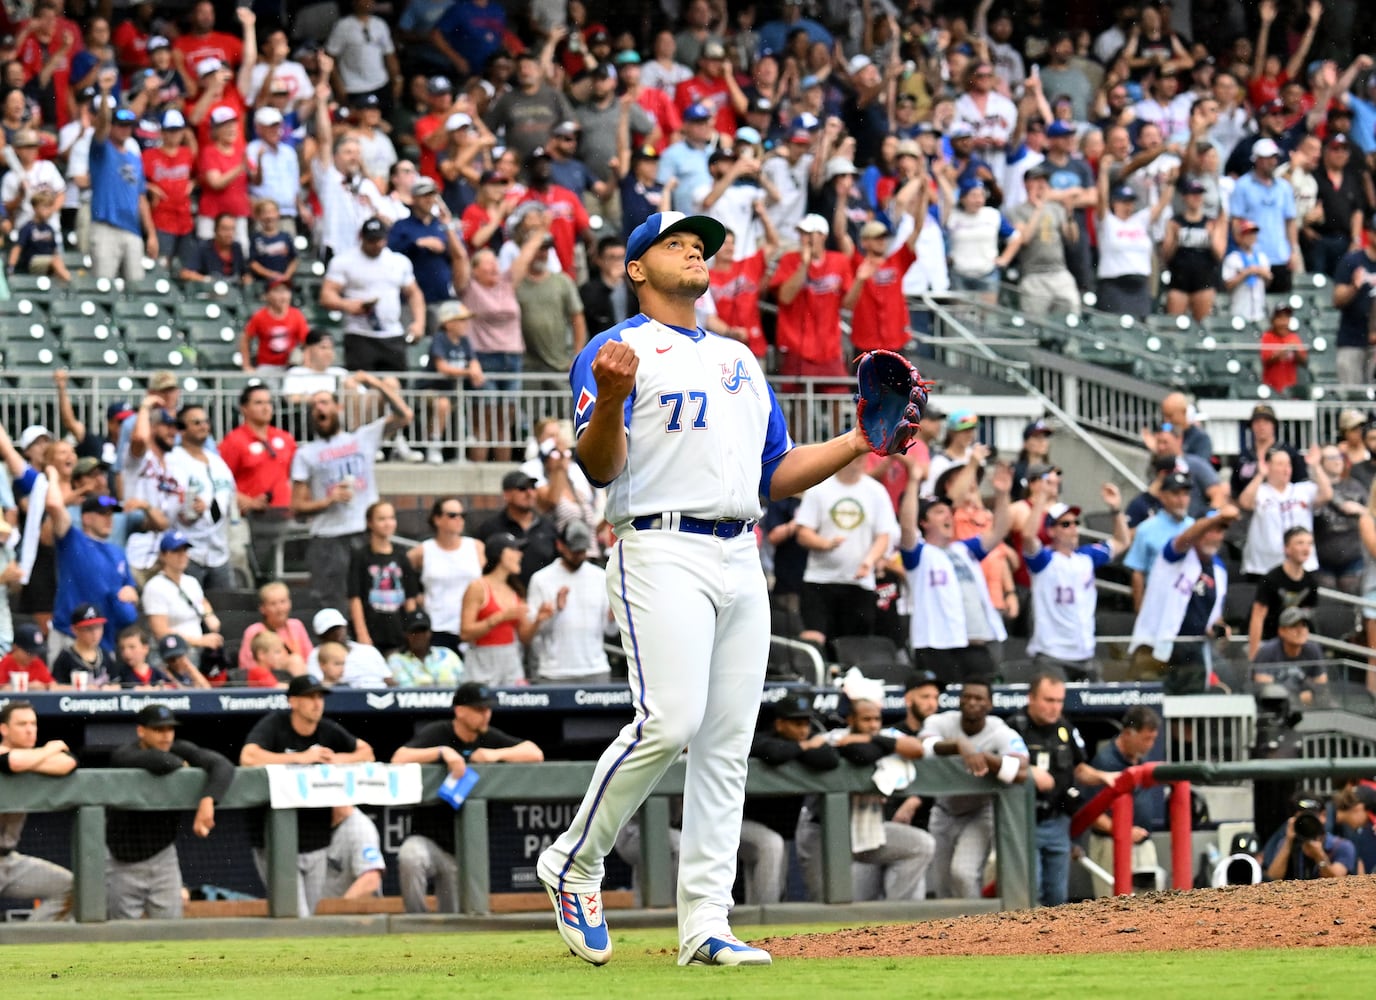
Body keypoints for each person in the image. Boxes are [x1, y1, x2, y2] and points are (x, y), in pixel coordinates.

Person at [536, 210, 894, 968]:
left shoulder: (739, 358)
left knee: (727, 745)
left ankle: (705, 922)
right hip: (660, 544)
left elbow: (778, 473)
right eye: (675, 244)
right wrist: (605, 398)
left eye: (701, 245)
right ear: (636, 269)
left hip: (741, 550)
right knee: (668, 721)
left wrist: (858, 442)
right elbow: (600, 468)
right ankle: (574, 859)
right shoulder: (615, 350)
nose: (695, 252)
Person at [392, 682, 544, 913]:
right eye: (479, 710)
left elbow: (535, 753)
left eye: (488, 709)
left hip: (464, 851)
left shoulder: (488, 737)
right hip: (429, 840)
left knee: (457, 917)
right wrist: (442, 752)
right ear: (460, 710)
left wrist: (495, 754)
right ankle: (417, 922)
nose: (486, 715)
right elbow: (399, 758)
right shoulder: (439, 732)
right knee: (409, 855)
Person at [239, 675, 375, 915]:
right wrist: (300, 758)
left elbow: (366, 752)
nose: (317, 703)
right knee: (294, 915)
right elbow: (248, 757)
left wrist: (336, 759)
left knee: (307, 915)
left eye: (320, 697)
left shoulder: (327, 730)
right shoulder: (275, 724)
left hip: (316, 839)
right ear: (293, 701)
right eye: (310, 697)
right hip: (275, 840)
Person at [797, 688, 933, 903]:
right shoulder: (834, 737)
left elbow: (918, 749)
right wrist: (863, 742)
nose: (873, 724)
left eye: (876, 719)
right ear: (850, 719)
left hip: (866, 828)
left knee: (921, 845)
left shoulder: (883, 736)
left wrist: (873, 739)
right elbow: (852, 753)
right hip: (821, 830)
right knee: (824, 902)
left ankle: (897, 919)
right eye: (866, 719)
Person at [290, 376, 415, 609]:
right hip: (328, 539)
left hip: (364, 533)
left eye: (325, 402)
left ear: (338, 408)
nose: (319, 408)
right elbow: (297, 507)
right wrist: (328, 500)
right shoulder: (305, 453)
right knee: (333, 603)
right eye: (314, 405)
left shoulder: (362, 438)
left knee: (374, 600)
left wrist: (376, 384)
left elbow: (404, 415)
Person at [105, 704, 233, 919]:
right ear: (141, 731)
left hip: (163, 857)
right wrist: (180, 764)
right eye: (158, 730)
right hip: (122, 861)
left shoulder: (180, 748)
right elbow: (159, 761)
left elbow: (223, 766)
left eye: (169, 729)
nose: (166, 736)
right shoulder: (125, 752)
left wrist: (208, 800)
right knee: (121, 937)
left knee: (171, 933)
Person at [898, 468, 1014, 686]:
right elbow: (906, 526)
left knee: (982, 704)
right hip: (937, 646)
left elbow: (999, 530)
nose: (948, 516)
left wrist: (1002, 494)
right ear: (924, 522)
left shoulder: (965, 550)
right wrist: (913, 480)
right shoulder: (919, 554)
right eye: (939, 512)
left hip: (975, 644)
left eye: (948, 511)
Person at [917, 677, 1029, 899]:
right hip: (943, 810)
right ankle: (947, 932)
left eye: (978, 698)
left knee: (963, 874)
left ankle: (976, 929)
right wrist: (960, 745)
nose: (971, 702)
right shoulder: (943, 721)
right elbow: (924, 746)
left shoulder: (998, 729)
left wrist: (984, 756)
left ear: (989, 704)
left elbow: (1022, 765)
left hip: (979, 812)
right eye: (966, 696)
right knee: (941, 883)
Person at [1010, 674, 1116, 906]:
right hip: (1024, 821)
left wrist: (1103, 777)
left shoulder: (1065, 729)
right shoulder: (1013, 728)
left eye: (1059, 701)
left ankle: (1056, 942)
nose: (1054, 707)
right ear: (1031, 698)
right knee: (1030, 893)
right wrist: (1029, 773)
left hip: (1058, 821)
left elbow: (1079, 769)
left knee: (1057, 895)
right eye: (1048, 700)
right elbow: (998, 768)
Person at [740, 692, 839, 905]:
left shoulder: (807, 742)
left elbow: (830, 759)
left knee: (776, 881)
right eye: (796, 723)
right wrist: (804, 747)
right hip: (740, 824)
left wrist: (802, 748)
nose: (803, 729)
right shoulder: (761, 737)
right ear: (780, 723)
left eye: (805, 723)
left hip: (781, 832)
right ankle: (764, 918)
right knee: (770, 845)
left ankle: (761, 920)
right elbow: (772, 752)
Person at [1128, 507, 1239, 694]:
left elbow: (1214, 616)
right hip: (1157, 649)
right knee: (1153, 710)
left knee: (1189, 713)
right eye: (1210, 529)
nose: (1215, 535)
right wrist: (1216, 517)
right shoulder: (1175, 553)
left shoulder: (1219, 569)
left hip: (1193, 655)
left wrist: (1219, 627)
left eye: (1220, 530)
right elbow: (1185, 538)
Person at [794, 453, 899, 651]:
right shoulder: (819, 490)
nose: (859, 460)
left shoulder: (876, 491)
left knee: (855, 647)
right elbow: (803, 532)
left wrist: (869, 561)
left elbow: (884, 535)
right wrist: (825, 544)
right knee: (815, 643)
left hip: (859, 583)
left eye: (862, 456)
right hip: (820, 580)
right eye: (853, 456)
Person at [1024, 489, 1129, 681]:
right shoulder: (1044, 561)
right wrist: (1039, 503)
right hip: (1052, 654)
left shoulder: (1086, 557)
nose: (1074, 528)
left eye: (1075, 523)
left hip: (1085, 653)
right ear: (1051, 530)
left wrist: (1115, 510)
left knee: (1100, 704)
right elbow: (1028, 538)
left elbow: (1122, 541)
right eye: (1066, 524)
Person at [0, 701, 76, 920]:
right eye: (22, 724)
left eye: (33, 723)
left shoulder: (33, 757)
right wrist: (48, 749)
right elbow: (11, 762)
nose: (29, 729)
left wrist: (33, 759)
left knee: (70, 886)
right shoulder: (40, 753)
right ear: (4, 729)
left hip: (10, 861)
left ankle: (27, 942)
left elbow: (68, 763)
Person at [45, 482, 140, 655]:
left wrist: (132, 595)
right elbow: (53, 505)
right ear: (87, 518)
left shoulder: (118, 553)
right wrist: (52, 472)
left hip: (103, 642)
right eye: (103, 514)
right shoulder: (72, 539)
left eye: (111, 514)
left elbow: (130, 591)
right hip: (69, 635)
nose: (109, 519)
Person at [1084, 706, 1164, 897]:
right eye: (1146, 739)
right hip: (1111, 844)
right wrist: (1123, 831)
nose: (1150, 745)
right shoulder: (1105, 763)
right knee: (1114, 907)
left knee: (1152, 907)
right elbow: (1092, 813)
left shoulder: (1141, 758)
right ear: (1128, 734)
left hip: (1143, 844)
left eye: (1153, 739)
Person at [218, 384, 296, 581]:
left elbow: (294, 475)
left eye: (269, 402)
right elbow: (220, 482)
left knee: (283, 571)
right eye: (258, 402)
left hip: (282, 514)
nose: (266, 407)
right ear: (244, 408)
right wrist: (247, 500)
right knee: (257, 573)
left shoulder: (284, 438)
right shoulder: (234, 441)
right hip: (252, 517)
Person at [520, 521, 611, 685]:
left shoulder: (600, 577)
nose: (578, 554)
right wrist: (553, 611)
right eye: (574, 549)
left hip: (595, 669)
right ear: (560, 545)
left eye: (582, 550)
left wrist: (613, 616)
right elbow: (532, 634)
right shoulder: (541, 579)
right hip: (554, 672)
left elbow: (609, 631)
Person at [166, 404, 236, 590]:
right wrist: (189, 508)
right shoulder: (173, 459)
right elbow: (175, 505)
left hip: (220, 551)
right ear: (181, 428)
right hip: (189, 551)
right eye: (196, 422)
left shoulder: (217, 461)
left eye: (206, 421)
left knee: (226, 611)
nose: (203, 426)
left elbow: (230, 495)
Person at [1239, 447, 1331, 579]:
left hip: (1302, 564)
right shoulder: (1260, 491)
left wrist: (1315, 466)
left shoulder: (1303, 489)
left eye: (1288, 464)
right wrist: (1260, 475)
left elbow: (1327, 494)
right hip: (1263, 565)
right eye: (1280, 464)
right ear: (1268, 466)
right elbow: (1245, 503)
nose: (1286, 469)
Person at [409, 497, 485, 653]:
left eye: (462, 515)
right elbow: (402, 574)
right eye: (452, 515)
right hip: (437, 626)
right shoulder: (423, 550)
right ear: (437, 519)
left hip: (471, 625)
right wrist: (416, 597)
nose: (459, 520)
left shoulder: (476, 547)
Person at [347, 501, 421, 657]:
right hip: (372, 630)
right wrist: (362, 634)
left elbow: (410, 598)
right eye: (381, 519)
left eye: (391, 518)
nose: (388, 523)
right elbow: (355, 598)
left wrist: (413, 631)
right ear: (370, 523)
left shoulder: (401, 555)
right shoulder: (361, 556)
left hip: (399, 630)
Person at [140, 530, 225, 664]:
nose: (182, 555)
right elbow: (160, 631)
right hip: (171, 656)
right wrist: (199, 641)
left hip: (197, 651)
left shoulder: (191, 582)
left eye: (185, 551)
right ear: (163, 555)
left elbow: (202, 602)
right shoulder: (155, 586)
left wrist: (209, 615)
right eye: (176, 551)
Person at [459, 532, 528, 686]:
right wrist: (499, 617)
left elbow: (524, 636)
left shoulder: (515, 590)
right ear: (501, 554)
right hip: (483, 662)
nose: (520, 555)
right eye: (515, 550)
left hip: (511, 660)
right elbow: (465, 632)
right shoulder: (478, 587)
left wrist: (541, 619)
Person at [1247, 527, 1321, 661]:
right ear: (1286, 548)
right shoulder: (1270, 579)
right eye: (1300, 543)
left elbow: (1308, 618)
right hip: (1268, 640)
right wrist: (1254, 654)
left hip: (1293, 643)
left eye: (1309, 543)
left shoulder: (1311, 582)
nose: (1306, 548)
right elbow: (1258, 616)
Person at [1263, 792, 1355, 881]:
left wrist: (1319, 856)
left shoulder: (1342, 846)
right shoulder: (1287, 844)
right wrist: (1288, 842)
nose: (1308, 823)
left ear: (1324, 816)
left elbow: (1338, 881)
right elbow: (1272, 879)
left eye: (1312, 817)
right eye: (1303, 818)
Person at [1331, 213, 1376, 388]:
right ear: (1370, 233)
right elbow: (1336, 299)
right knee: (1351, 397)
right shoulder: (1352, 261)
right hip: (1352, 339)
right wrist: (1354, 287)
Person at [1253, 607, 1328, 705]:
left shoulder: (1313, 650)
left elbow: (1321, 686)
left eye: (1304, 625)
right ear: (1281, 631)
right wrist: (1297, 697)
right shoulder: (1267, 651)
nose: (1300, 630)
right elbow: (1264, 689)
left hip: (1308, 709)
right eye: (1294, 626)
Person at [237, 581, 313, 677]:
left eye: (283, 602)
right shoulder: (253, 631)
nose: (280, 608)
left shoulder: (297, 625)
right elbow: (246, 666)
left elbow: (309, 658)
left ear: (290, 603)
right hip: (266, 679)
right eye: (273, 604)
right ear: (263, 608)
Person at [305, 608, 392, 688]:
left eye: (338, 628)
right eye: (330, 630)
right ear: (321, 636)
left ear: (345, 627)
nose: (336, 633)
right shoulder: (316, 655)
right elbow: (318, 687)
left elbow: (389, 680)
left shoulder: (368, 650)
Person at [387, 610, 464, 686]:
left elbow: (463, 683)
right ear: (406, 635)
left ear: (430, 633)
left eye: (423, 631)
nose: (419, 636)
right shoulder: (397, 660)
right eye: (415, 632)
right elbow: (404, 689)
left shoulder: (447, 655)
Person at [0, 624, 56, 690]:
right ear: (15, 647)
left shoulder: (36, 662)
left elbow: (53, 686)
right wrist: (28, 687)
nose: (33, 656)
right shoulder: (5, 662)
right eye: (29, 652)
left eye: (36, 653)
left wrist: (45, 687)